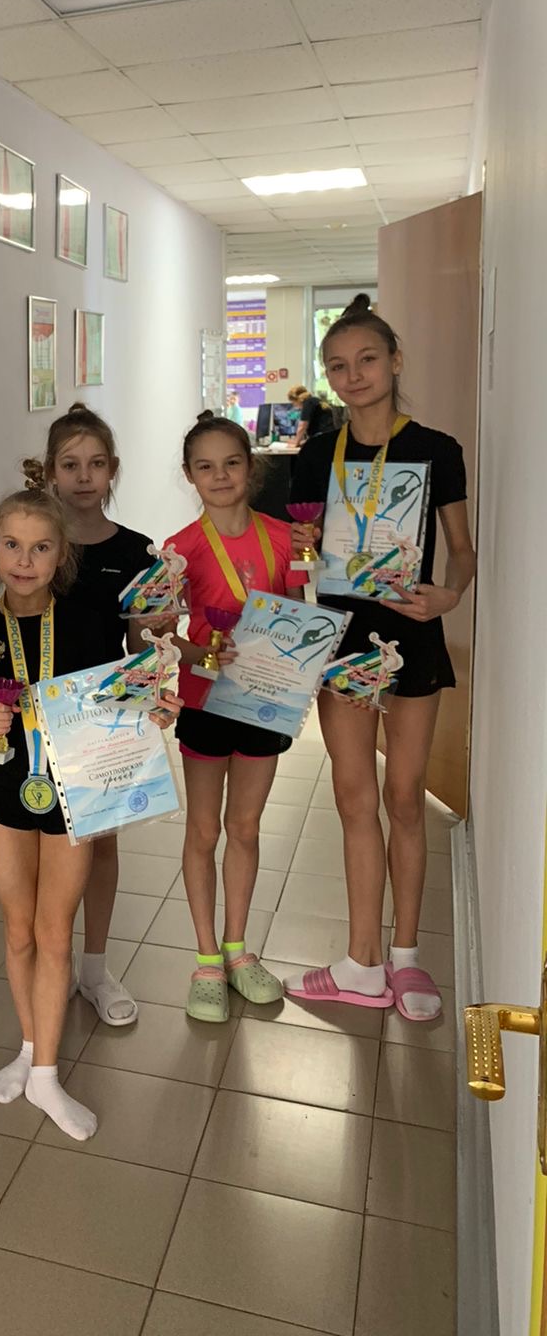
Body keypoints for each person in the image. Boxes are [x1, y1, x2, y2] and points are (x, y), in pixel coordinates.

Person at [286, 295, 475, 1020]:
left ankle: (407, 957)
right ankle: (362, 963)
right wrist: (301, 558)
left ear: (395, 361)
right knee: (354, 798)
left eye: (367, 359)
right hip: (341, 640)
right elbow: (301, 557)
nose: (353, 375)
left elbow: (461, 551)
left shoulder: (436, 448)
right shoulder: (315, 456)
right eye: (338, 366)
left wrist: (449, 595)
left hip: (412, 638)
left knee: (405, 796)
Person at [0, 466, 108, 1139]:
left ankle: (46, 1076)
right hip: (5, 796)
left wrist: (147, 711)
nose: (24, 560)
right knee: (18, 931)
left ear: (61, 554)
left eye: (40, 547)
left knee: (54, 932)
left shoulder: (90, 624)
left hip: (71, 795)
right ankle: (28, 1045)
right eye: (12, 545)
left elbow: (114, 707)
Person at [166, 413, 306, 1023]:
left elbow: (297, 616)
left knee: (244, 828)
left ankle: (237, 951)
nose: (220, 476)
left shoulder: (283, 538)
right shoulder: (179, 550)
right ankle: (205, 959)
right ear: (189, 475)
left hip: (263, 702)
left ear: (251, 467)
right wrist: (199, 654)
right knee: (203, 831)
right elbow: (156, 635)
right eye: (206, 466)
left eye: (231, 463)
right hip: (204, 700)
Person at [42, 401, 152, 1027]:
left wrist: (157, 628)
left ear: (112, 470)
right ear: (51, 473)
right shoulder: (38, 540)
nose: (84, 477)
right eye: (70, 464)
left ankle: (94, 968)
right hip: (40, 716)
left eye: (96, 464)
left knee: (100, 847)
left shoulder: (136, 551)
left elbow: (138, 645)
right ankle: (53, 968)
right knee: (47, 851)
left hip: (103, 718)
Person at [291, 384, 333, 449]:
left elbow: (302, 426)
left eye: (293, 402)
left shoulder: (308, 403)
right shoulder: (315, 400)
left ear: (297, 399)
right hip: (327, 437)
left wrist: (296, 442)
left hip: (321, 439)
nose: (294, 405)